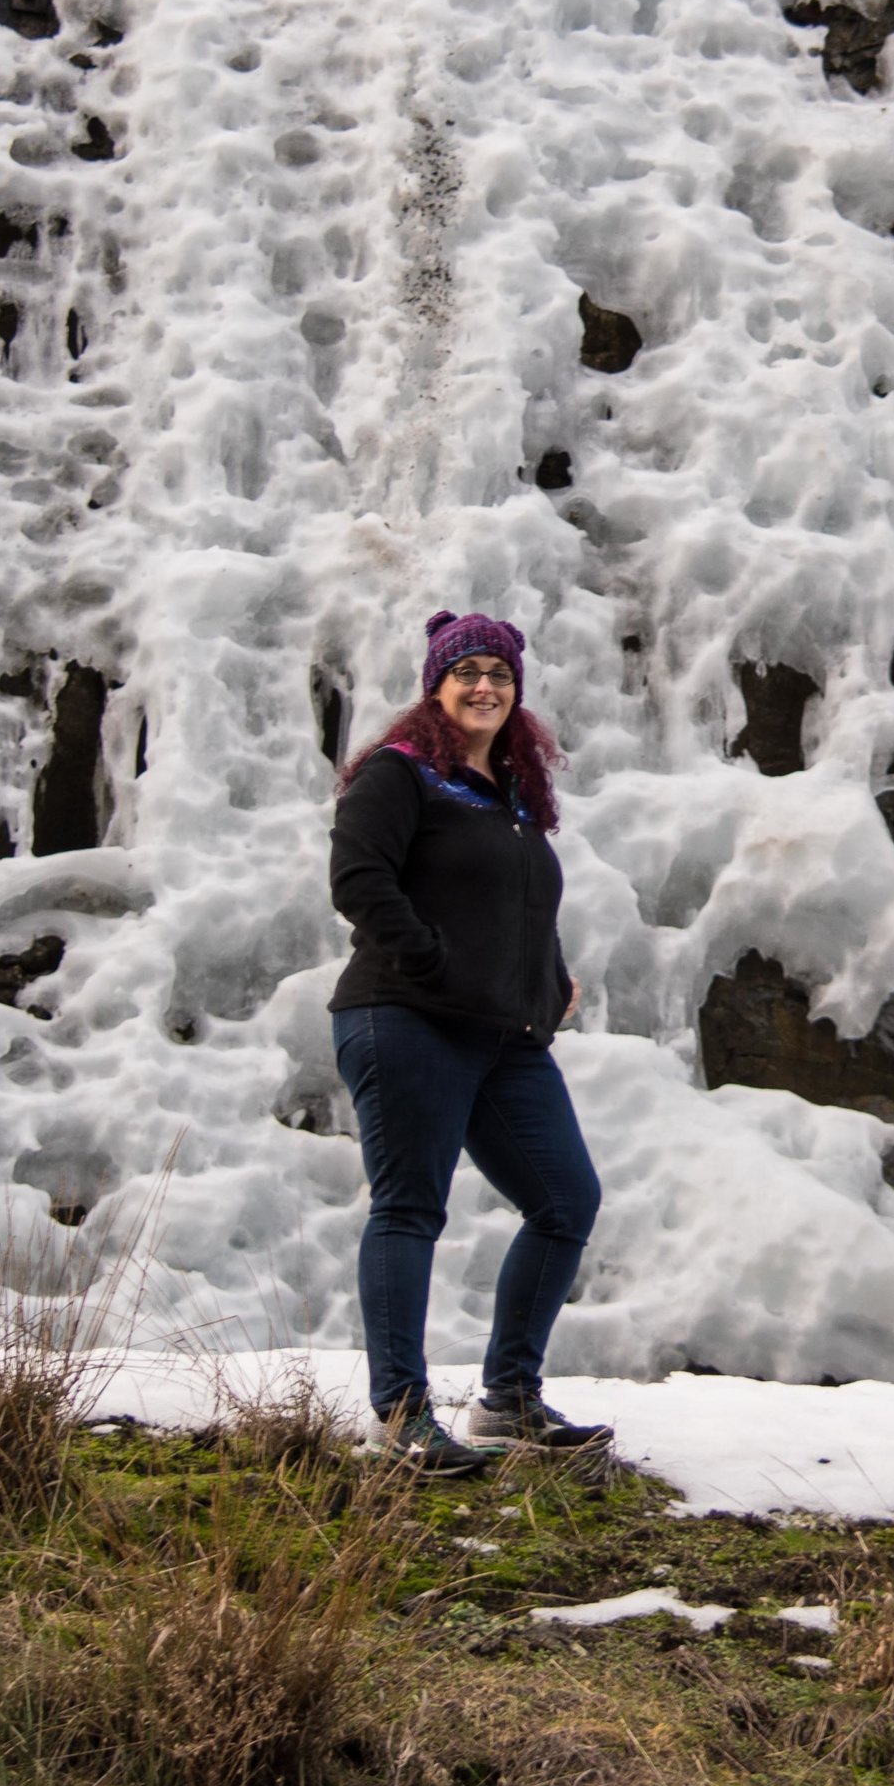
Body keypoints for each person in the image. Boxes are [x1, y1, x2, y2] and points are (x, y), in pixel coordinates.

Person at [328, 607, 610, 1472]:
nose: (485, 685)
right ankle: (402, 1413)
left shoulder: (514, 795)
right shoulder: (400, 774)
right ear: (437, 684)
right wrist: (433, 960)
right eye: (468, 671)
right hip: (406, 1017)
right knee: (411, 1206)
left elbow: (521, 903)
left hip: (503, 1034)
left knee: (566, 1201)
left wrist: (547, 973)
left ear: (516, 692)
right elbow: (358, 879)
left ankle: (509, 1399)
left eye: (499, 673)